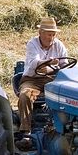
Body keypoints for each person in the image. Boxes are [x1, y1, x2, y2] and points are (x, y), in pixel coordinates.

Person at [17, 17, 68, 145]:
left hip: (52, 79)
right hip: (33, 79)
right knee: (25, 96)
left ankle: (62, 128)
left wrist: (59, 67)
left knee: (69, 94)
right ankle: (26, 132)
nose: (51, 38)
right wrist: (49, 62)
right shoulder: (32, 44)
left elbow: (65, 64)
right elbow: (34, 62)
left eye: (53, 34)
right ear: (40, 33)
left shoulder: (59, 45)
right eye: (48, 34)